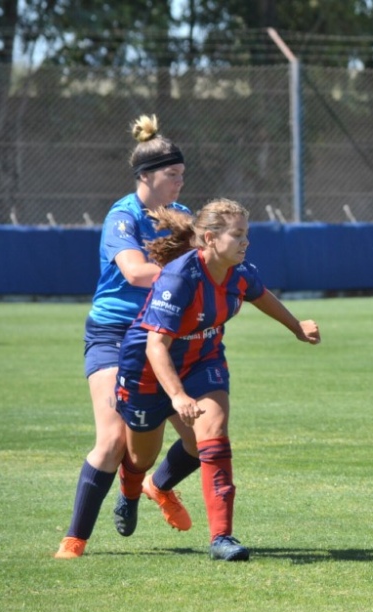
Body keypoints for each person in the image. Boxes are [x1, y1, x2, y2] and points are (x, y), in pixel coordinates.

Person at [114, 198, 321, 561]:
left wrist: (296, 327)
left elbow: (261, 295)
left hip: (203, 361)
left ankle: (221, 538)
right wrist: (177, 396)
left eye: (247, 234)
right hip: (147, 367)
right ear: (210, 238)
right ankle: (132, 490)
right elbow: (156, 346)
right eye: (238, 235)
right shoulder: (180, 277)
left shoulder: (239, 271)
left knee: (213, 436)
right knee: (139, 455)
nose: (246, 242)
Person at [56, 114, 201, 559]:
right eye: (171, 175)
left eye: (181, 174)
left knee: (202, 436)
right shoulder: (123, 216)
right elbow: (136, 272)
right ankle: (75, 540)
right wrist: (187, 272)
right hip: (115, 333)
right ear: (145, 177)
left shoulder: (183, 216)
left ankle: (156, 486)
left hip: (164, 334)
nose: (179, 183)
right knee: (114, 440)